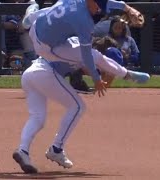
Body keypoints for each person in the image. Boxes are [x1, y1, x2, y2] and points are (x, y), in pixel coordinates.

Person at [12, 0, 148, 174]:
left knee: (37, 118)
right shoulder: (81, 39)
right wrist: (108, 76)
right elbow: (95, 59)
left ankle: (23, 151)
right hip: (43, 64)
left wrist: (129, 9)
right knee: (77, 106)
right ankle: (56, 149)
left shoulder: (71, 32)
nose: (99, 11)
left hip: (30, 71)